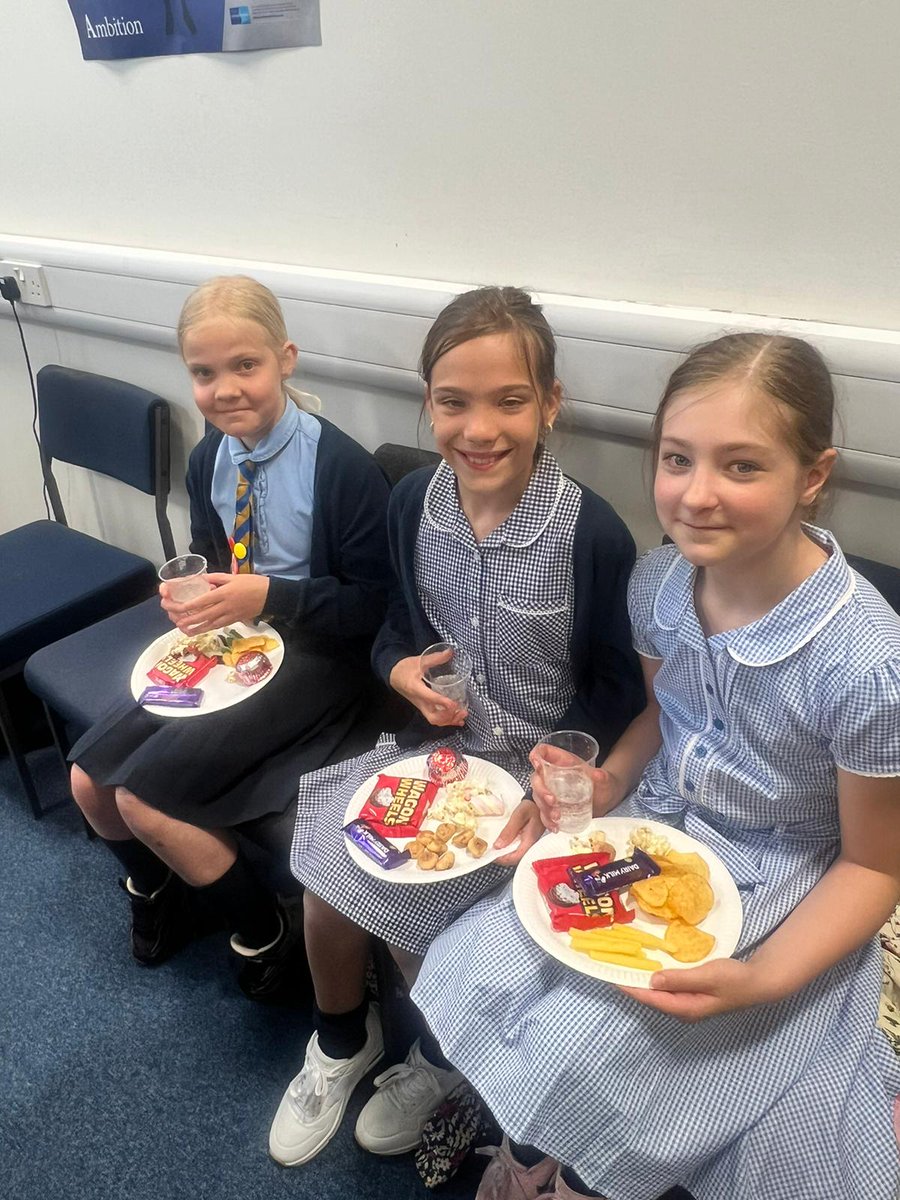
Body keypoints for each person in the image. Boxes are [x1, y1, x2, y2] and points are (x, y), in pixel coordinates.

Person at [412, 332, 900, 1200]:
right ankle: (530, 1143)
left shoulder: (864, 665)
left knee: (604, 1046)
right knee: (484, 959)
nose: (697, 495)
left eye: (742, 467)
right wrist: (608, 781)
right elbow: (660, 718)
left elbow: (873, 864)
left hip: (784, 875)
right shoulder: (661, 583)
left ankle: (576, 1175)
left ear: (813, 476)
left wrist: (764, 977)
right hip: (662, 828)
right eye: (678, 459)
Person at [267, 285, 646, 1168]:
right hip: (442, 756)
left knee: (412, 912)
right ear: (427, 402)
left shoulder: (592, 533)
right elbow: (400, 629)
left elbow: (617, 687)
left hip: (538, 784)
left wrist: (567, 767)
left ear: (550, 405)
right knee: (329, 861)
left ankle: (440, 1060)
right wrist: (398, 669)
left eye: (510, 401)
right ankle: (339, 1039)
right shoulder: (413, 506)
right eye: (453, 402)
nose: (479, 428)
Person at [69, 275, 392, 1004]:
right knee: (87, 780)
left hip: (323, 660)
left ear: (286, 359)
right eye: (204, 373)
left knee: (146, 802)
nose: (224, 389)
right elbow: (212, 553)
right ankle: (156, 888)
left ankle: (263, 934)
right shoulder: (209, 458)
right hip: (242, 643)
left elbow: (376, 608)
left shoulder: (341, 468)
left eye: (245, 365)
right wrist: (201, 594)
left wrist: (269, 595)